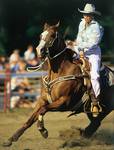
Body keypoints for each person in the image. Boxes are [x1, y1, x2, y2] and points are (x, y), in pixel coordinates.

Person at [70, 3, 104, 117]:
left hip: (93, 52)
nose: (86, 16)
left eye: (88, 14)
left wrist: (80, 47)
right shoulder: (81, 23)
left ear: (92, 15)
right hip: (81, 50)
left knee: (94, 75)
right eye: (84, 14)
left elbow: (93, 43)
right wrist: (77, 47)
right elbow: (79, 37)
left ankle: (95, 102)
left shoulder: (96, 26)